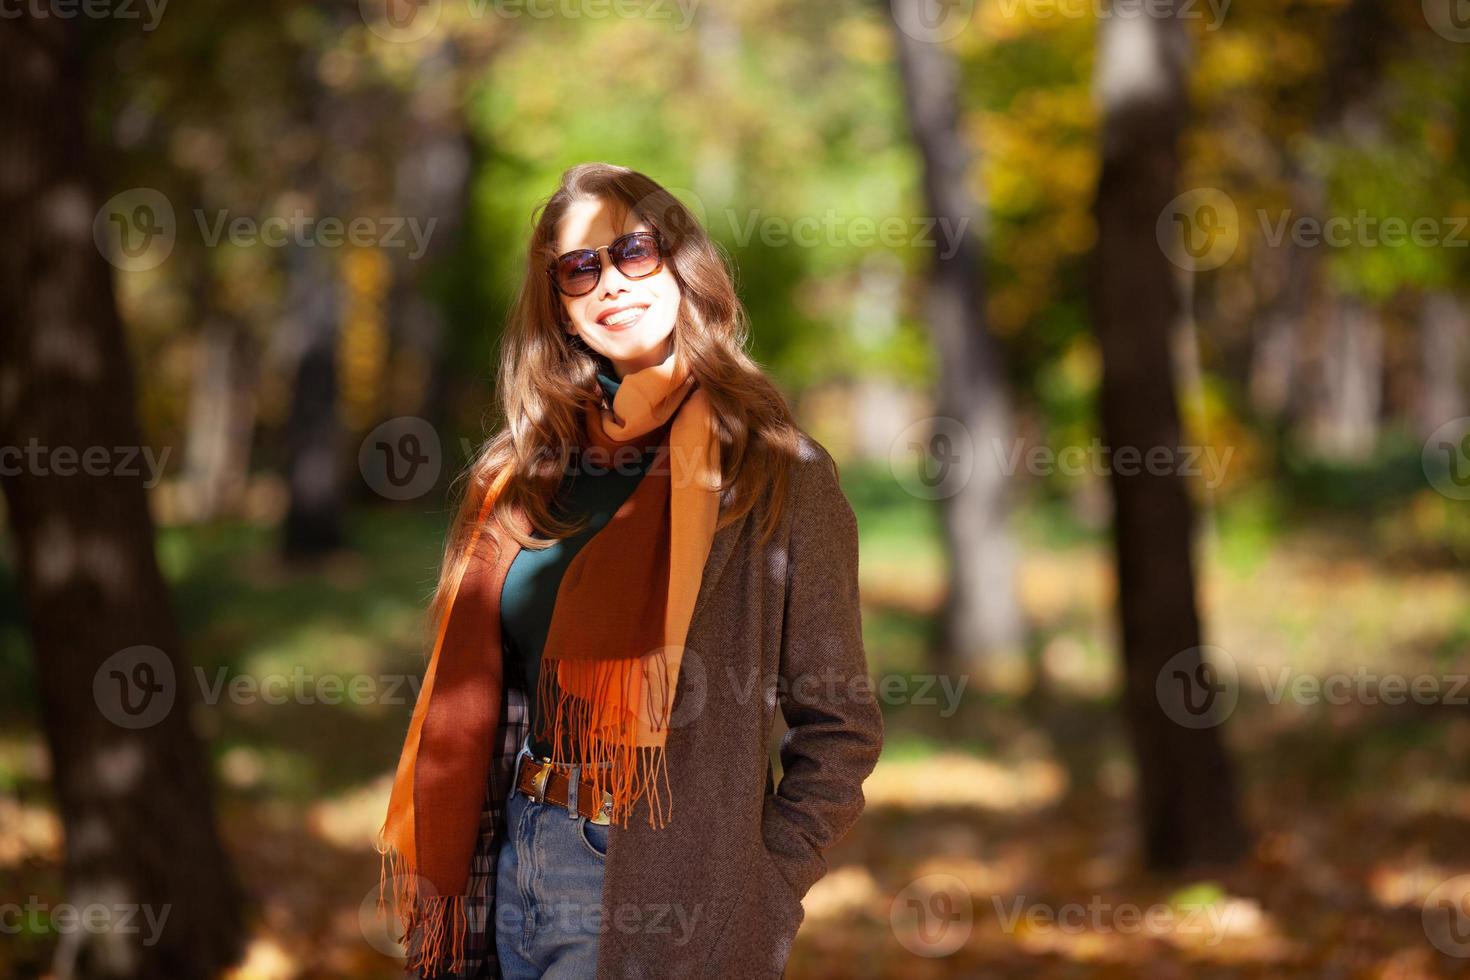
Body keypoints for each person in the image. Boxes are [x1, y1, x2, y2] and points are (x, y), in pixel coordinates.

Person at [377, 162, 883, 979]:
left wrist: (764, 886)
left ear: (683, 265)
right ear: (563, 312)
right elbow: (482, 696)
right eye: (579, 270)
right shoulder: (520, 475)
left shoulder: (776, 471)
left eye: (634, 253)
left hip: (664, 879)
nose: (609, 282)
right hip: (518, 854)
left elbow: (841, 726)